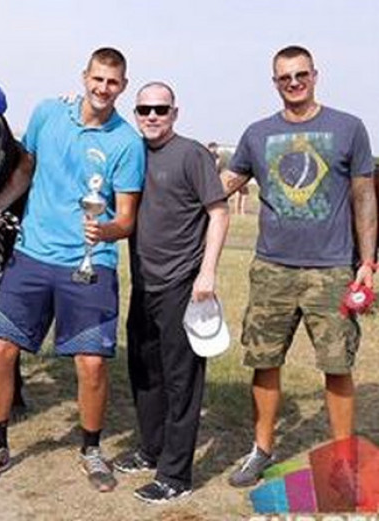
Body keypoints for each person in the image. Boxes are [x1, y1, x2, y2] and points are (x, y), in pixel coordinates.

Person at [0, 47, 145, 490]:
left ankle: (92, 450)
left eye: (113, 82)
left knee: (91, 364)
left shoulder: (127, 142)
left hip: (89, 266)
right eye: (97, 79)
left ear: (122, 86)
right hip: (31, 257)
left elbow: (126, 218)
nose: (103, 89)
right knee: (0, 350)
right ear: (85, 76)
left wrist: (105, 233)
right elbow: (26, 168)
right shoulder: (48, 113)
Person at [221, 46, 376, 487]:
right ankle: (261, 450)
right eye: (285, 77)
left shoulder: (348, 128)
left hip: (331, 270)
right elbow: (226, 185)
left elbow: (364, 195)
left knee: (337, 365)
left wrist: (367, 261)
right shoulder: (257, 134)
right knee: (264, 361)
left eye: (300, 74)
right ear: (275, 82)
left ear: (315, 75)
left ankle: (343, 460)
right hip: (272, 268)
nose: (294, 83)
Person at [114, 82, 229, 503]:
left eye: (160, 109)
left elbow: (218, 213)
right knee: (145, 373)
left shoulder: (192, 154)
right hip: (144, 284)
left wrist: (208, 273)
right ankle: (151, 449)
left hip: (184, 284)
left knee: (183, 382)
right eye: (144, 109)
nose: (151, 116)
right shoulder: (132, 153)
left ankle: (176, 476)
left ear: (174, 112)